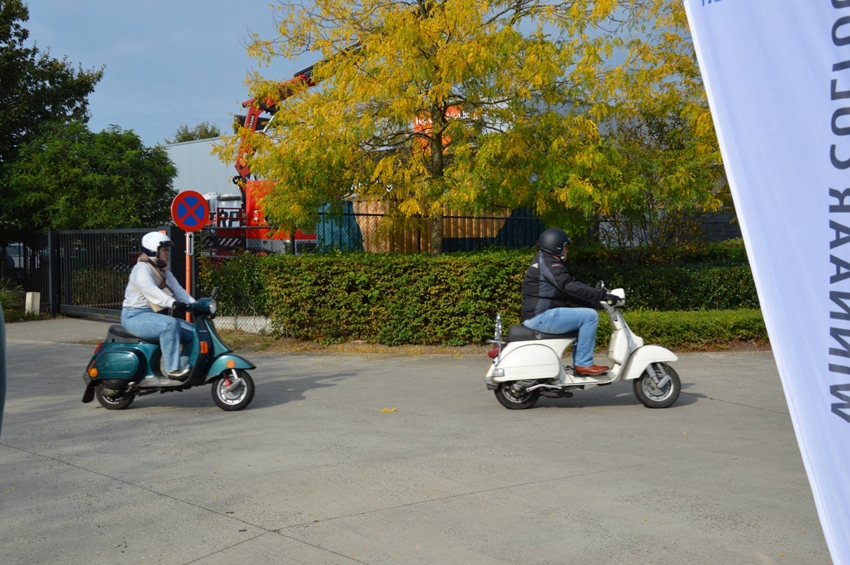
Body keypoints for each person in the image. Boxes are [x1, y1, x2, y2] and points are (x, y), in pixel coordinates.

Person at [521, 228, 619, 376]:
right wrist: (602, 295)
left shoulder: (543, 261)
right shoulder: (549, 264)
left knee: (583, 317)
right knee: (589, 316)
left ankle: (580, 365)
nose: (567, 250)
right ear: (556, 246)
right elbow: (570, 286)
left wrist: (596, 303)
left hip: (537, 315)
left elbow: (566, 292)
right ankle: (583, 364)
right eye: (566, 246)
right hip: (541, 316)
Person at [121, 231, 195, 380]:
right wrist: (172, 303)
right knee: (170, 325)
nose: (167, 253)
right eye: (164, 250)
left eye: (167, 250)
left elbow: (179, 291)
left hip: (152, 316)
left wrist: (196, 306)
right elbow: (150, 290)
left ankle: (184, 368)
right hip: (134, 315)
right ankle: (173, 369)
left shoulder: (163, 271)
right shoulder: (141, 269)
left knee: (195, 332)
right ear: (153, 250)